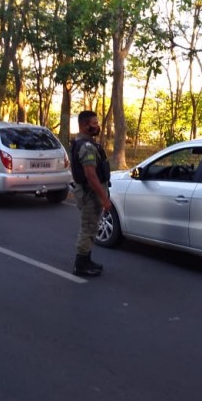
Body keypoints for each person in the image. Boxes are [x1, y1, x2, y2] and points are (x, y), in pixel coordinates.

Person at [70, 110, 111, 277]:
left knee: (92, 227)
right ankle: (81, 265)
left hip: (87, 192)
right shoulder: (86, 147)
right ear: (84, 125)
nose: (97, 126)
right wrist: (104, 198)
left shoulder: (82, 142)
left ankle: (87, 260)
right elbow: (91, 176)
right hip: (89, 194)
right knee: (88, 228)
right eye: (94, 123)